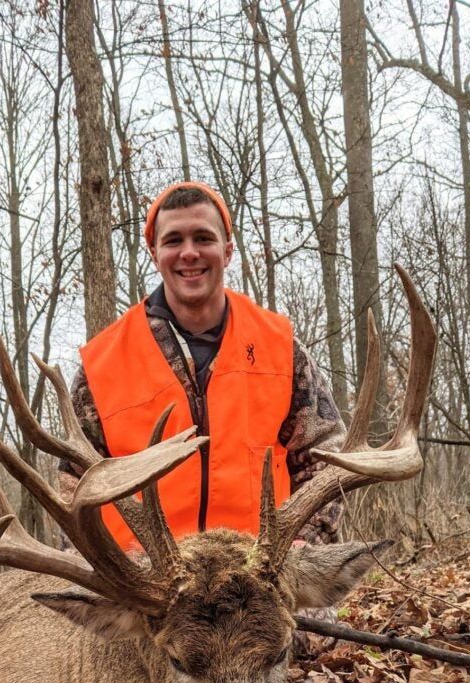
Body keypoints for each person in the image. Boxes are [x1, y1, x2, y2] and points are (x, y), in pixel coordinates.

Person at [59, 181, 346, 547]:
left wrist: (306, 539)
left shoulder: (279, 347)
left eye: (203, 238)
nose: (189, 253)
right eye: (174, 240)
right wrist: (109, 567)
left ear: (227, 251)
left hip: (260, 574)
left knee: (317, 603)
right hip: (148, 584)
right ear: (154, 252)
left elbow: (326, 456)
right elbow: (75, 487)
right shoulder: (103, 364)